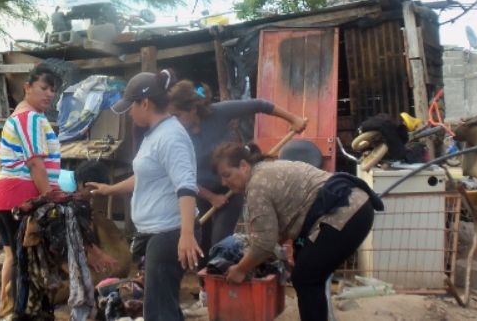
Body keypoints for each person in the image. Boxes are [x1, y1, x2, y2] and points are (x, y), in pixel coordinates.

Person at [211, 142, 383, 321]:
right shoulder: (265, 170)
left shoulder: (257, 186)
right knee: (308, 272)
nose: (224, 182)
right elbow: (276, 232)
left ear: (243, 166)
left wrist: (240, 269)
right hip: (354, 207)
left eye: (227, 175)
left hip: (345, 212)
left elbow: (264, 243)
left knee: (305, 279)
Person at [88, 70, 202, 321]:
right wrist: (110, 189)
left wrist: (186, 234)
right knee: (161, 305)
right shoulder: (156, 134)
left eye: (131, 106)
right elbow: (145, 177)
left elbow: (186, 185)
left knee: (160, 311)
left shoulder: (171, 136)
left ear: (146, 103)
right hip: (160, 233)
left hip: (170, 232)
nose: (129, 113)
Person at [167, 80, 308, 261]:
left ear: (192, 109)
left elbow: (259, 105)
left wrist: (293, 119)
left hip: (230, 191)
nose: (175, 121)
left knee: (219, 244)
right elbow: (180, 175)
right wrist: (211, 197)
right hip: (200, 194)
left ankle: (219, 281)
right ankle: (206, 288)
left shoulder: (218, 112)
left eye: (177, 115)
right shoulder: (178, 135)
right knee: (201, 245)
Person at [0, 64, 64, 317]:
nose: (49, 94)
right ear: (27, 87)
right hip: (21, 195)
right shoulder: (29, 117)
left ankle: (5, 307)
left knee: (15, 257)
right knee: (29, 266)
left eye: (53, 91)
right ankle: (19, 314)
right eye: (44, 88)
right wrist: (51, 200)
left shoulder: (24, 116)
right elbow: (35, 163)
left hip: (8, 195)